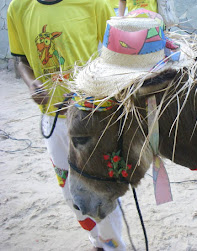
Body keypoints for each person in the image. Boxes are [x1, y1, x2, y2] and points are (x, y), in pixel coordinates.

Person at [7, 0, 125, 250]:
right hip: (53, 120)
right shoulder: (18, 8)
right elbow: (21, 61)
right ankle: (96, 240)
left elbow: (117, 53)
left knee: (101, 191)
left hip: (93, 118)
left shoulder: (95, 4)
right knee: (71, 192)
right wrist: (31, 84)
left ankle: (114, 246)